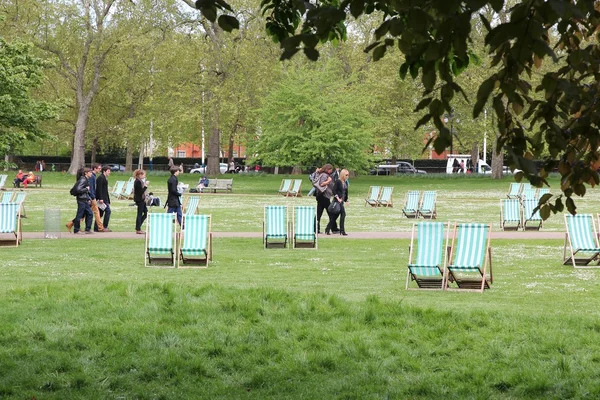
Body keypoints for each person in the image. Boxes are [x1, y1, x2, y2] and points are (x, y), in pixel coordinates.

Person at [312, 164, 338, 234]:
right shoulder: (324, 175)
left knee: (319, 213)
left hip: (321, 196)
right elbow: (321, 184)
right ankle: (333, 228)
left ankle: (315, 229)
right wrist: (328, 181)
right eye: (330, 170)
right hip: (324, 196)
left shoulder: (321, 174)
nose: (331, 171)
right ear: (327, 169)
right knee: (331, 212)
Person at [67, 168, 93, 234]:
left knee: (90, 213)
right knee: (80, 214)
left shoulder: (86, 179)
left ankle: (87, 229)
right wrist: (86, 189)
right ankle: (76, 229)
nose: (91, 173)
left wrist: (88, 198)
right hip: (81, 200)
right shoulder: (83, 179)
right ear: (86, 173)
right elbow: (78, 189)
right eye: (90, 172)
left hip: (84, 199)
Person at [326, 169, 349, 236]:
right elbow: (334, 190)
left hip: (341, 201)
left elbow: (345, 192)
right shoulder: (338, 181)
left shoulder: (345, 182)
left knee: (338, 216)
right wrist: (337, 198)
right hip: (337, 201)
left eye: (348, 175)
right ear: (343, 175)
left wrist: (346, 200)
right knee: (340, 215)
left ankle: (329, 229)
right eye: (346, 175)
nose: (347, 176)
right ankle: (341, 230)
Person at [88, 164, 105, 232]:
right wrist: (92, 197)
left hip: (92, 196)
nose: (100, 170)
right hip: (92, 197)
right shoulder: (92, 176)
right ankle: (100, 227)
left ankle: (71, 223)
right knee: (96, 212)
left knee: (86, 212)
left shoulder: (94, 176)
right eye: (99, 168)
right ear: (94, 168)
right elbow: (91, 187)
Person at [95, 166, 112, 232]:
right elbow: (99, 189)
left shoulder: (104, 178)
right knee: (108, 211)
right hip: (102, 199)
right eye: (108, 171)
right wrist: (101, 198)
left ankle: (97, 228)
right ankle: (104, 226)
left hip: (105, 198)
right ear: (104, 171)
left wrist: (108, 199)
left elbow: (105, 190)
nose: (109, 172)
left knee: (100, 213)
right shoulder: (101, 178)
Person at [133, 169, 148, 234]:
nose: (144, 176)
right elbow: (140, 192)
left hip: (142, 200)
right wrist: (145, 186)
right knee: (139, 214)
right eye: (144, 174)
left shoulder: (139, 181)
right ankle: (138, 228)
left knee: (146, 213)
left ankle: (138, 226)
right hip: (139, 200)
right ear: (140, 175)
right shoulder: (137, 182)